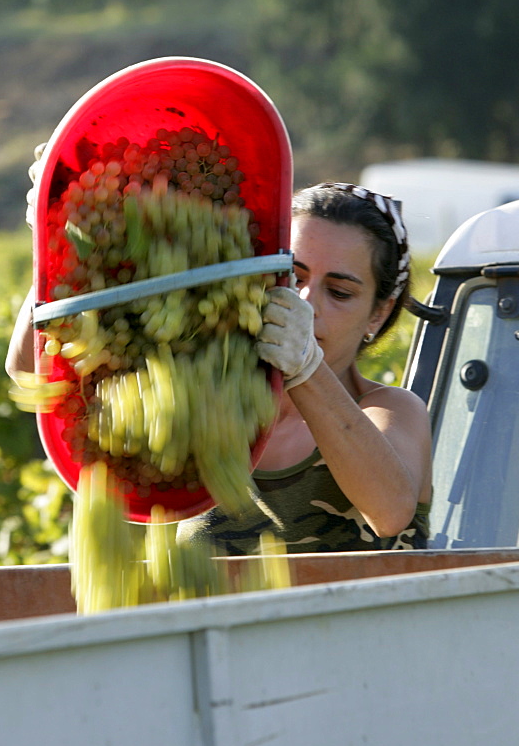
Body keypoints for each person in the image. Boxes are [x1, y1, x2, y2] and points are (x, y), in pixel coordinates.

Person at [178, 182, 431, 554]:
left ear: (379, 312)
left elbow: (390, 511)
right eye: (293, 276)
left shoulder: (391, 411)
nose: (305, 303)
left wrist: (306, 367)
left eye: (340, 292)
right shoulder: (208, 413)